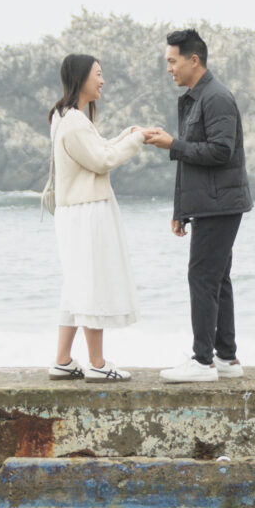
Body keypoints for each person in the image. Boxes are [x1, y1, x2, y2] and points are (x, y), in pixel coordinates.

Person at [139, 27, 252, 384]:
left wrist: (172, 144)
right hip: (211, 203)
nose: (169, 68)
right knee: (217, 278)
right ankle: (227, 359)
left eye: (172, 61)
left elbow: (221, 151)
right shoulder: (195, 98)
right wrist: (180, 210)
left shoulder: (216, 97)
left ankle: (202, 361)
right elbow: (188, 157)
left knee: (202, 277)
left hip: (220, 204)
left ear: (194, 59)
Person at [47, 52, 167, 382]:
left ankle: (62, 359)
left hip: (74, 211)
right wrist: (138, 139)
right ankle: (97, 364)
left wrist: (129, 133)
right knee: (91, 282)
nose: (102, 80)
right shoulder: (73, 122)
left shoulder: (65, 117)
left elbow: (95, 150)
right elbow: (103, 161)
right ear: (81, 78)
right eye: (97, 74)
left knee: (75, 283)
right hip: (85, 212)